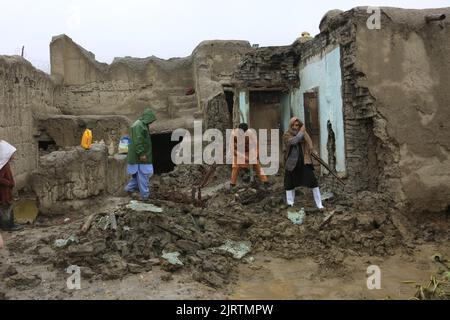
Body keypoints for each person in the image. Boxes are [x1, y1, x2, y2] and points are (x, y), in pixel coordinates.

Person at [283, 117, 324, 209]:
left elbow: (309, 144)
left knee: (313, 182)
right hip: (291, 163)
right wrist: (301, 132)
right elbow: (294, 141)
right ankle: (290, 204)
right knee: (289, 184)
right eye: (293, 125)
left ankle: (319, 205)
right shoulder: (287, 135)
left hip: (304, 162)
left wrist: (313, 150)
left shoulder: (304, 134)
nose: (295, 127)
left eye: (297, 125)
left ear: (300, 125)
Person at [124, 108, 157, 201]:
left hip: (138, 157)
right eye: (151, 120)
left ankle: (128, 190)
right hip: (138, 158)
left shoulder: (141, 124)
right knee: (143, 176)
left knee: (136, 177)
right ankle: (145, 196)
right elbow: (138, 141)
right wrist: (142, 154)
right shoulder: (139, 126)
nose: (151, 122)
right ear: (148, 117)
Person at [230, 123, 268, 187]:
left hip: (249, 150)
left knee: (257, 164)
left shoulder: (250, 133)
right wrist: (244, 157)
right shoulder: (233, 134)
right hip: (238, 152)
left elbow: (256, 144)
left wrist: (256, 155)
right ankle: (232, 184)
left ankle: (265, 181)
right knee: (235, 166)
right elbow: (232, 149)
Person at [0, 140, 23, 231]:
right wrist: (10, 183)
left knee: (7, 208)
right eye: (11, 155)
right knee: (6, 208)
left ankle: (9, 224)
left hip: (6, 191)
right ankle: (8, 226)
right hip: (3, 192)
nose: (13, 156)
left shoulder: (5, 164)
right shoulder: (2, 166)